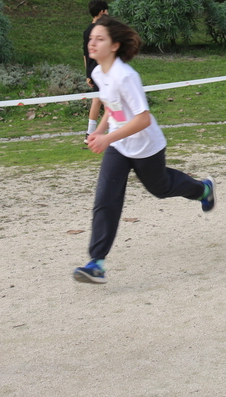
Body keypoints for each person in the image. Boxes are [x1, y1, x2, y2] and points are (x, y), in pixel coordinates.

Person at [75, 16, 217, 284]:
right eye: (91, 38)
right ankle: (96, 263)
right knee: (106, 199)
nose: (92, 43)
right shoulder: (97, 73)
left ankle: (203, 189)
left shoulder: (126, 76)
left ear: (115, 45)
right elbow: (110, 106)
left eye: (99, 38)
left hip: (145, 146)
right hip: (119, 145)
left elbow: (143, 119)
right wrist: (101, 131)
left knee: (160, 189)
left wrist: (106, 138)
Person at [83, 0, 109, 141]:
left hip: (93, 70)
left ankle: (90, 133)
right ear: (102, 12)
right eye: (107, 10)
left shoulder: (87, 30)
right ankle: (97, 132)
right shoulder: (101, 30)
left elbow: (85, 55)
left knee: (97, 100)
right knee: (105, 101)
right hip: (101, 70)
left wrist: (88, 74)